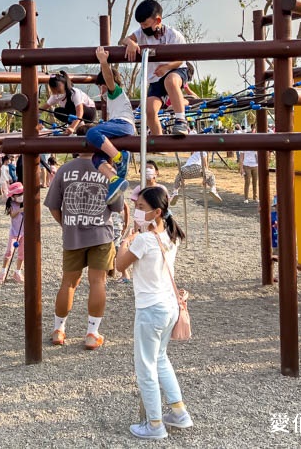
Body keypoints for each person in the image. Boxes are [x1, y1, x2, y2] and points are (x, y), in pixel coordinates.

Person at [115, 186, 192, 439]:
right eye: (136, 207)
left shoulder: (145, 240)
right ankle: (178, 412)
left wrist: (125, 241)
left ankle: (155, 424)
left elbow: (119, 265)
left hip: (151, 309)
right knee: (160, 359)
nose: (136, 212)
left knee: (146, 366)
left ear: (157, 212)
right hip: (169, 305)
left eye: (141, 209)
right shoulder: (171, 235)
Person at [45, 124, 124, 350]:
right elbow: (117, 205)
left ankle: (58, 329)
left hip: (73, 234)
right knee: (98, 282)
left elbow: (53, 206)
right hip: (100, 233)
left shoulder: (65, 169)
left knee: (68, 283)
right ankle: (92, 333)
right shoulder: (107, 170)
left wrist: (66, 224)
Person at [120, 0, 189, 137]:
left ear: (157, 20)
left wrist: (167, 67)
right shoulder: (141, 33)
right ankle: (158, 141)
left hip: (175, 70)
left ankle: (181, 120)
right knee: (149, 110)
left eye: (145, 24)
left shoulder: (173, 35)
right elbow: (123, 40)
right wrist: (130, 43)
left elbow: (181, 59)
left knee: (170, 81)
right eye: (140, 25)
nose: (142, 27)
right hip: (156, 77)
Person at [86, 45, 136, 204]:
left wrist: (103, 62)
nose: (100, 91)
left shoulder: (115, 92)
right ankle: (114, 179)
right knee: (97, 158)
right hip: (119, 126)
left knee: (92, 133)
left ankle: (120, 158)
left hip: (123, 124)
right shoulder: (115, 101)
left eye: (100, 86)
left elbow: (108, 78)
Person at [0, 182, 25, 284]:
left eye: (22, 194)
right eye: (18, 194)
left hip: (24, 232)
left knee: (22, 254)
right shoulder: (12, 205)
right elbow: (12, 215)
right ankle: (3, 272)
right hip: (14, 232)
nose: (21, 196)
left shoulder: (25, 202)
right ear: (13, 197)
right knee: (9, 252)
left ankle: (18, 272)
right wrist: (19, 210)